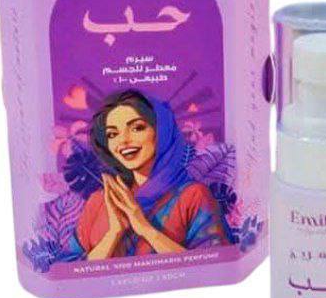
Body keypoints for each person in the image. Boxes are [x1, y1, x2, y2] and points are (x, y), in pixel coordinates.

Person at [71, 90, 228, 260]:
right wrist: (113, 233)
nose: (123, 140)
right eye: (112, 134)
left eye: (137, 128)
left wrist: (145, 229)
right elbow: (70, 270)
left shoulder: (193, 197)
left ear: (162, 131)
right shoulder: (100, 201)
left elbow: (212, 263)